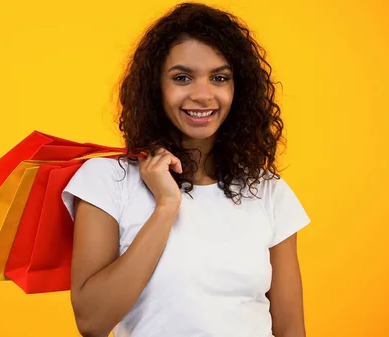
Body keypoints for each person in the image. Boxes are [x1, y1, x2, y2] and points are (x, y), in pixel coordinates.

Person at [61, 2, 311, 337]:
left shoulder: (266, 190)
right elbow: (92, 322)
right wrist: (165, 207)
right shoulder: (107, 181)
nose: (203, 95)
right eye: (182, 78)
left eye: (219, 78)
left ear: (239, 89)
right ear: (155, 88)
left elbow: (291, 329)